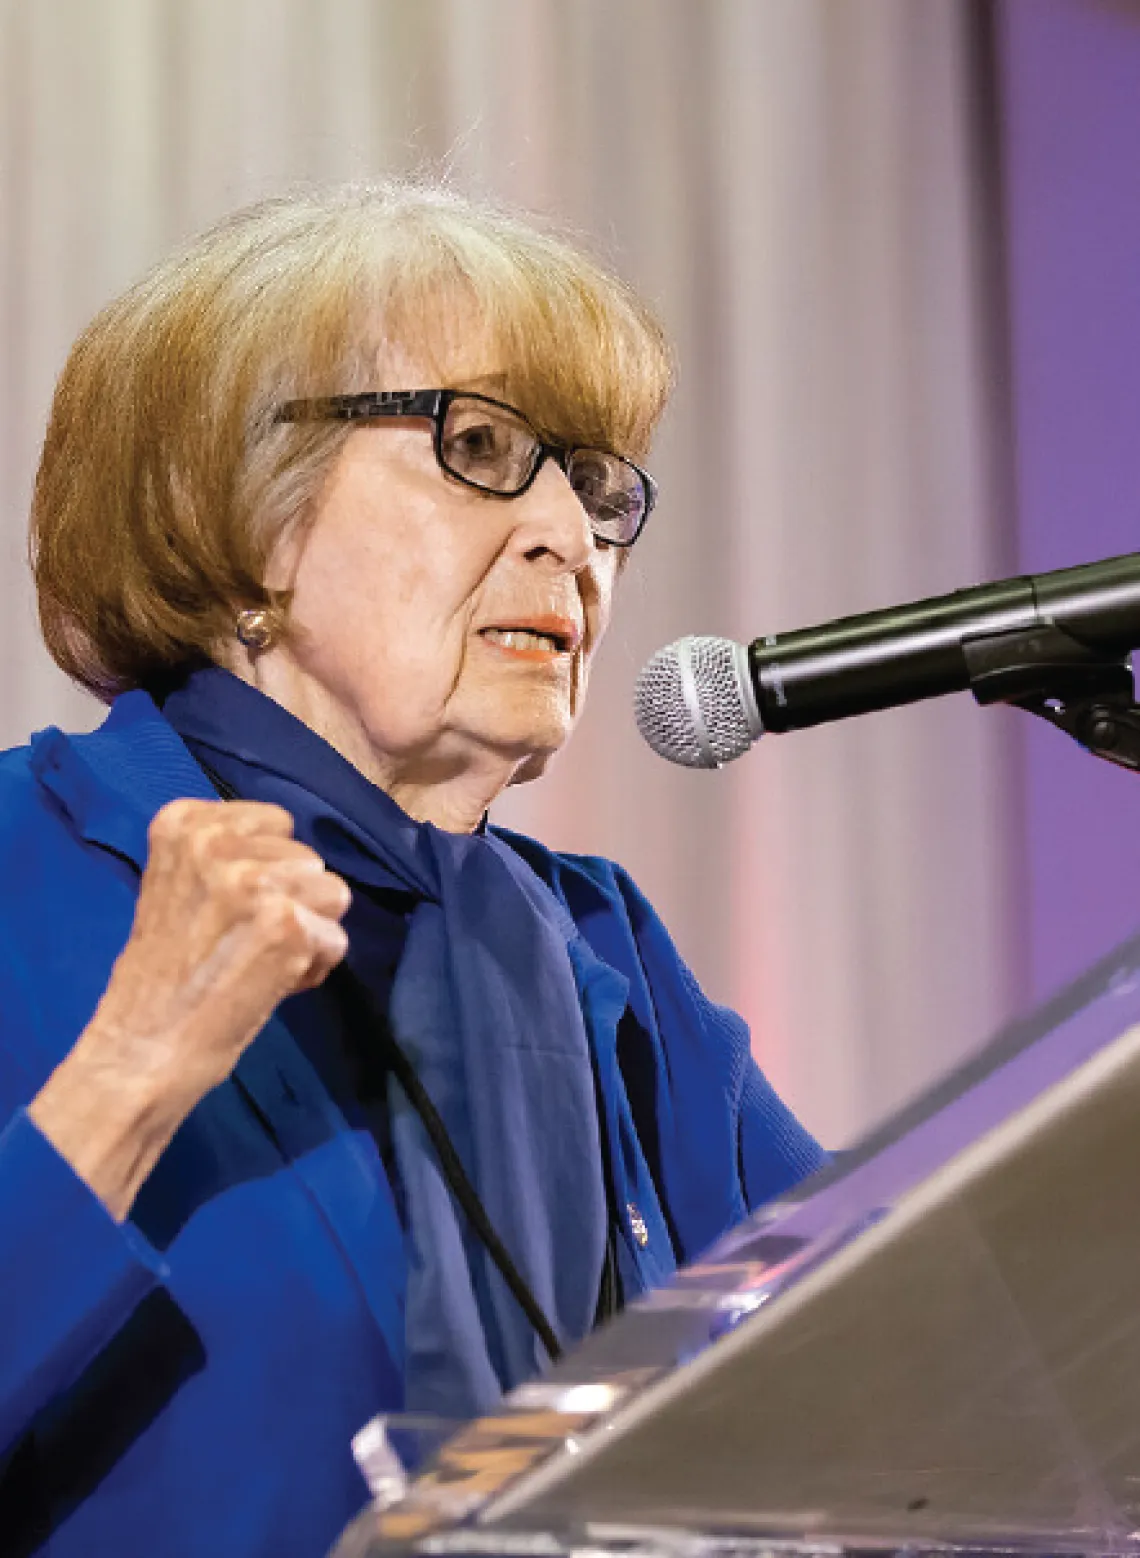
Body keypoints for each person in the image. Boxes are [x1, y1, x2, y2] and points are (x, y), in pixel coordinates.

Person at [0, 182, 826, 1558]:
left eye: (599, 481)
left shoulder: (600, 950)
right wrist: (129, 1077)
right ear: (242, 506)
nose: (572, 533)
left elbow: (896, 1339)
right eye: (484, 443)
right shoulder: (26, 870)